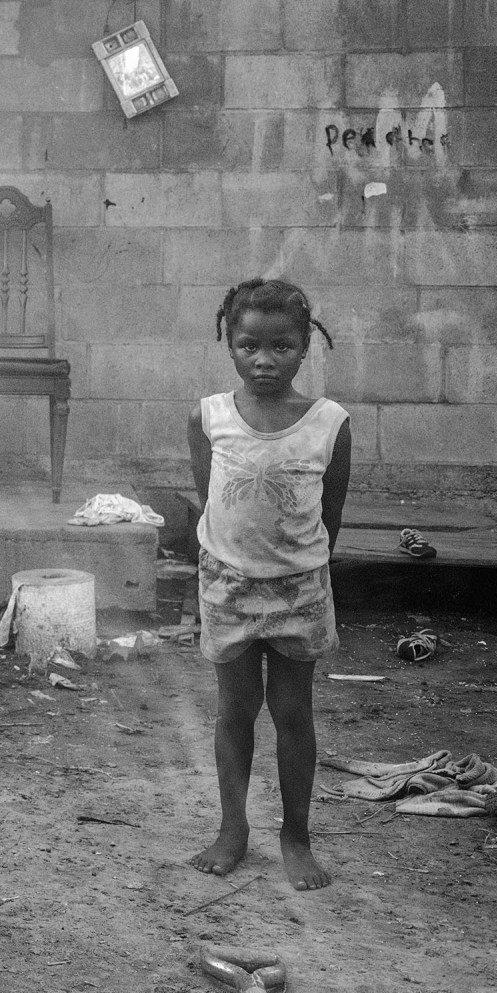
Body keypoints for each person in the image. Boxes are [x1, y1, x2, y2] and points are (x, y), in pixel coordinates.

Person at [188, 277, 351, 892]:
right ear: (228, 344)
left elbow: (329, 515)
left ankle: (296, 836)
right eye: (248, 345)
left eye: (281, 346)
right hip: (227, 586)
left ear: (304, 347)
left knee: (291, 712)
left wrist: (299, 571)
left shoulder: (329, 423)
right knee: (234, 711)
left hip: (299, 591)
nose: (264, 360)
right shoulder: (210, 417)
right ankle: (233, 830)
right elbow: (209, 503)